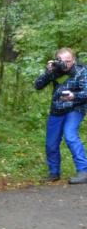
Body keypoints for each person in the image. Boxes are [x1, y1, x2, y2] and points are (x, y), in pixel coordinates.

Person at [34, 48, 87, 184]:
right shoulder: (55, 71)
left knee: (70, 135)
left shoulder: (81, 71)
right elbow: (38, 85)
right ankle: (54, 173)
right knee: (51, 143)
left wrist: (74, 96)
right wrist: (48, 72)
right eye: (62, 61)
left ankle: (83, 171)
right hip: (57, 109)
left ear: (73, 60)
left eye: (68, 61)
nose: (65, 64)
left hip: (75, 108)